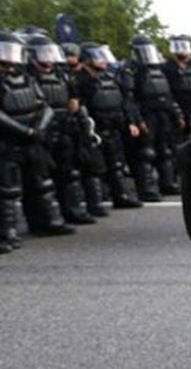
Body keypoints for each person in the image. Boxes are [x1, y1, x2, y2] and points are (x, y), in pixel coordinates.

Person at [1, 30, 77, 255]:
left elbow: (45, 106)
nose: (8, 58)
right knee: (7, 190)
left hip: (32, 139)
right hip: (7, 142)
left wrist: (38, 129)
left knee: (41, 183)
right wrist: (24, 130)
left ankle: (47, 222)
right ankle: (7, 233)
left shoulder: (27, 78)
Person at [25, 33, 95, 225]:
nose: (47, 58)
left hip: (64, 128)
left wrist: (75, 104)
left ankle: (71, 211)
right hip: (40, 131)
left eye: (49, 52)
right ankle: (43, 220)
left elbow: (75, 97)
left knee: (68, 173)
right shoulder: (27, 77)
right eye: (42, 53)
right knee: (40, 178)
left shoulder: (62, 74)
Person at [76, 42, 143, 211]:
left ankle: (121, 196)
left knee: (116, 164)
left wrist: (130, 122)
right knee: (94, 168)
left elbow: (123, 102)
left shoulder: (109, 78)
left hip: (113, 127)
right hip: (93, 130)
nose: (103, 61)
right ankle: (95, 203)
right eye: (98, 57)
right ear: (86, 59)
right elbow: (77, 106)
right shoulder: (79, 80)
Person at [121, 34, 185, 199]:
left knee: (166, 150)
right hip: (146, 113)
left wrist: (177, 114)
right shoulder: (131, 70)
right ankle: (147, 188)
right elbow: (129, 98)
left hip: (163, 113)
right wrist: (137, 120)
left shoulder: (159, 69)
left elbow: (168, 94)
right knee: (146, 152)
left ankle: (168, 183)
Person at [162, 36, 191, 133]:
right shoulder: (167, 68)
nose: (182, 53)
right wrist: (177, 113)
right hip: (177, 110)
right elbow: (166, 92)